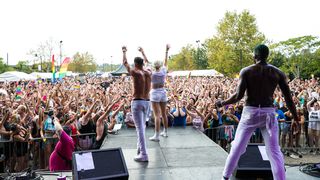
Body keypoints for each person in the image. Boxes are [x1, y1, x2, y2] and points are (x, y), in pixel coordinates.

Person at [216, 44, 299, 180]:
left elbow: (238, 96)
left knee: (237, 147)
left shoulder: (247, 71)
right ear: (267, 56)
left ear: (255, 56)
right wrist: (295, 118)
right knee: (274, 151)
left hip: (250, 113)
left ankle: (225, 176)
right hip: (269, 114)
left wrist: (222, 103)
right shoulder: (278, 72)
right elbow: (289, 99)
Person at [122, 46, 150, 162]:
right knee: (142, 127)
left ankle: (143, 154)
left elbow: (124, 63)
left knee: (140, 129)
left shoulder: (136, 72)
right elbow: (148, 62)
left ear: (136, 64)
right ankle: (139, 148)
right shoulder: (148, 72)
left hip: (137, 102)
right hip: (147, 102)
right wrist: (143, 52)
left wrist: (124, 52)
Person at [139, 45, 170, 142]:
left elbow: (146, 61)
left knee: (157, 115)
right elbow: (166, 61)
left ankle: (156, 135)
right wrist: (166, 51)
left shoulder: (151, 72)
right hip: (163, 92)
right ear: (160, 65)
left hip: (155, 93)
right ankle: (165, 131)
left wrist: (142, 52)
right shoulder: (163, 71)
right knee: (164, 114)